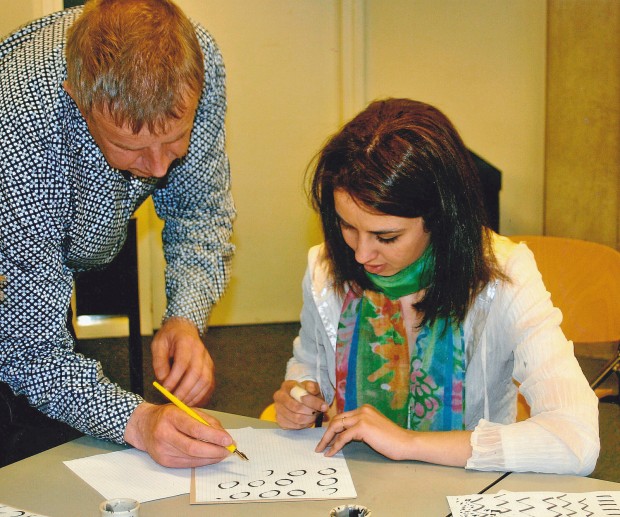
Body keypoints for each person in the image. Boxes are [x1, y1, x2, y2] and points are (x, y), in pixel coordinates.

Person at [273, 98, 600, 475]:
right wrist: (300, 392)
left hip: (467, 488)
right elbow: (310, 360)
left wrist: (407, 443)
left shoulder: (505, 275)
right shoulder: (325, 267)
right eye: (347, 226)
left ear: (441, 217)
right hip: (354, 481)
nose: (362, 255)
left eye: (387, 236)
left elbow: (577, 440)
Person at [0, 0, 236, 467]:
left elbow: (200, 208)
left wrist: (184, 317)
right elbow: (32, 352)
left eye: (175, 140)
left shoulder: (196, 59)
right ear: (78, 102)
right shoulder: (22, 122)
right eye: (131, 147)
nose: (160, 167)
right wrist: (139, 420)